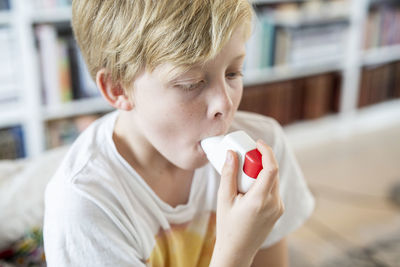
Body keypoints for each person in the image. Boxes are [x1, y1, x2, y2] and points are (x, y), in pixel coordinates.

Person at [43, 0, 315, 266]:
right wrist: (235, 253)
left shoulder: (264, 146)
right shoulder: (84, 206)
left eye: (233, 73)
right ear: (118, 88)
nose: (225, 103)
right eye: (190, 83)